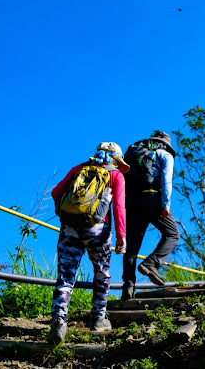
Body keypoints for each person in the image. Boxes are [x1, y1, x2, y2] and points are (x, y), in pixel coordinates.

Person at [46, 142, 129, 346]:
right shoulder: (115, 175)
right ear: (117, 160)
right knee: (102, 272)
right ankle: (99, 318)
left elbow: (55, 193)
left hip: (69, 227)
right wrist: (121, 236)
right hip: (98, 229)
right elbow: (119, 206)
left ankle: (58, 320)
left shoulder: (79, 169)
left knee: (65, 275)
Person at [121, 131, 180, 300]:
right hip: (151, 197)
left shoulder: (135, 152)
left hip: (131, 201)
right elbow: (166, 180)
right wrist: (166, 205)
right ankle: (151, 263)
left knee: (132, 247)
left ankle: (128, 288)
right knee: (172, 233)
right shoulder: (164, 154)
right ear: (166, 144)